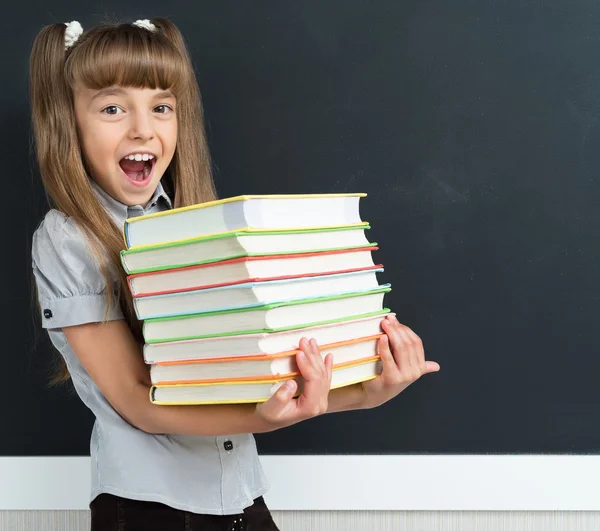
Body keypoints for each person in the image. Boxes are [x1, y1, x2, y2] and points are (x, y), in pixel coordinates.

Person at [29, 17, 440, 531]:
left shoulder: (186, 225)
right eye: (113, 108)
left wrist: (364, 393)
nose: (142, 128)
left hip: (240, 496)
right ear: (69, 122)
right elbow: (139, 400)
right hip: (147, 508)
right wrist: (262, 417)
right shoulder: (66, 237)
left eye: (161, 107)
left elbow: (247, 384)